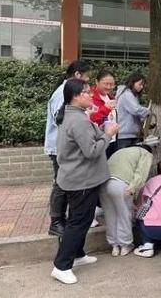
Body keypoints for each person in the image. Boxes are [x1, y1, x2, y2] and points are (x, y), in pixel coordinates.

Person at [51, 79, 119, 285]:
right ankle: (61, 266)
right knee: (78, 222)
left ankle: (78, 254)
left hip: (79, 178)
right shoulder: (78, 120)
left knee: (82, 218)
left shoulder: (76, 115)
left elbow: (92, 138)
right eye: (87, 92)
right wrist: (108, 135)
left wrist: (101, 131)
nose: (91, 95)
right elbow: (91, 151)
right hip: (81, 180)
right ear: (76, 96)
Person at [44, 60, 91, 237]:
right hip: (59, 146)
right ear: (77, 74)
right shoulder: (61, 93)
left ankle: (62, 220)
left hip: (65, 145)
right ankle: (56, 221)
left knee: (65, 182)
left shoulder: (68, 90)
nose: (88, 81)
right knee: (61, 184)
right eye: (86, 77)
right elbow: (61, 119)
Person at [99, 140, 156, 257]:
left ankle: (114, 246)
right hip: (121, 184)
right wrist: (133, 190)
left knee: (110, 215)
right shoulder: (145, 153)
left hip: (103, 184)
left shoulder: (120, 151)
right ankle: (125, 245)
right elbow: (141, 174)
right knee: (124, 215)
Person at [116, 72, 150, 150]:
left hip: (130, 133)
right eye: (140, 84)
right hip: (125, 135)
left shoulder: (131, 95)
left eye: (143, 85)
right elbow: (136, 110)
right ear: (132, 83)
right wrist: (147, 111)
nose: (141, 87)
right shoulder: (127, 94)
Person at [89, 69, 118, 158]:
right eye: (106, 84)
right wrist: (106, 108)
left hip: (112, 139)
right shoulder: (90, 98)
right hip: (98, 141)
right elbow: (92, 118)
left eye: (111, 84)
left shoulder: (110, 97)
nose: (109, 87)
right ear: (97, 82)